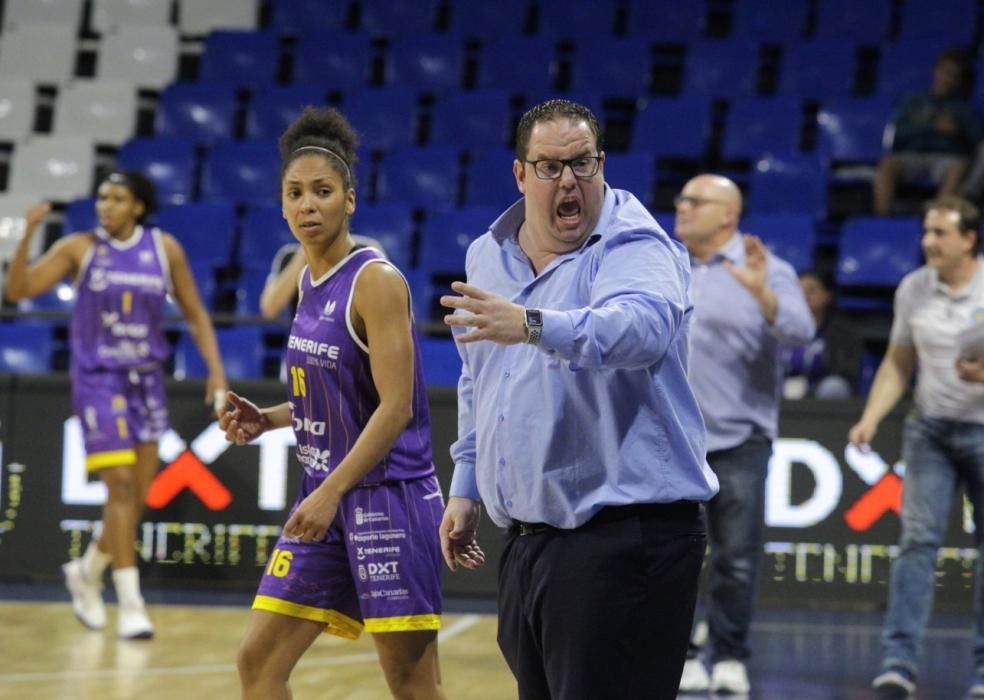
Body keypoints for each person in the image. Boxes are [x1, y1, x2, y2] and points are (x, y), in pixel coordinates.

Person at [438, 98, 718, 700]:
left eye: (582, 164)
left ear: (602, 165)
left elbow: (641, 331)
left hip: (625, 538)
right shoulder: (488, 255)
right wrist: (467, 486)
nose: (569, 181)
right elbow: (478, 376)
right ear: (520, 174)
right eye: (550, 167)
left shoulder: (635, 244)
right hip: (529, 543)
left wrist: (534, 324)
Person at [218, 106, 447, 700]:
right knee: (258, 662)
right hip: (325, 496)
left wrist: (330, 492)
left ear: (350, 199)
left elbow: (394, 407)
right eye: (295, 193)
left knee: (411, 684)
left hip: (386, 499)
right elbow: (339, 398)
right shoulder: (306, 281)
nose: (307, 205)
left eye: (322, 191)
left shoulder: (376, 281)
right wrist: (268, 419)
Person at [3, 171, 228, 639]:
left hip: (147, 380)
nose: (105, 205)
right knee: (121, 490)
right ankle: (130, 603)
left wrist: (216, 370)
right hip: (98, 382)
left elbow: (194, 312)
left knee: (134, 501)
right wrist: (27, 234)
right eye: (102, 197)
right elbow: (18, 291)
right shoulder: (79, 248)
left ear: (138, 207)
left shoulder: (164, 249)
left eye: (117, 198)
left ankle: (86, 569)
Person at [674, 174, 815, 694]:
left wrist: (763, 298)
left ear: (727, 216)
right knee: (675, 557)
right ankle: (683, 653)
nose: (681, 207)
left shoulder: (768, 269)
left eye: (695, 201)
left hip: (740, 439)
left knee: (735, 558)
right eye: (682, 199)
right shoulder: (666, 265)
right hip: (673, 441)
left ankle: (730, 654)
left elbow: (801, 333)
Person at [848, 195, 984, 700]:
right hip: (930, 429)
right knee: (916, 544)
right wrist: (871, 416)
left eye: (940, 234)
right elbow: (898, 362)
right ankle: (898, 664)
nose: (928, 242)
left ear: (969, 239)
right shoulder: (914, 289)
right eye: (926, 232)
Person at [874, 48, 982, 217]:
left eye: (954, 75)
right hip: (911, 155)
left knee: (957, 167)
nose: (947, 78)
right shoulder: (912, 102)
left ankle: (937, 222)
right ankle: (881, 220)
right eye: (945, 71)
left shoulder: (962, 109)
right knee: (887, 164)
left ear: (959, 80)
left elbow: (977, 141)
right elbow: (894, 137)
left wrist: (956, 132)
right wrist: (931, 127)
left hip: (945, 158)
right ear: (935, 71)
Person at [258, 234, 387, 320]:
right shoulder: (289, 256)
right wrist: (303, 255)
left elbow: (384, 310)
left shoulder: (368, 251)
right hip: (301, 353)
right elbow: (269, 309)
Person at [782, 270, 864, 399]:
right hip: (782, 387)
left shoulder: (843, 331)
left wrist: (808, 389)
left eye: (811, 290)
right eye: (799, 291)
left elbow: (845, 371)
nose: (804, 296)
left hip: (820, 391)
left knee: (833, 387)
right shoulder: (780, 326)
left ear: (827, 294)